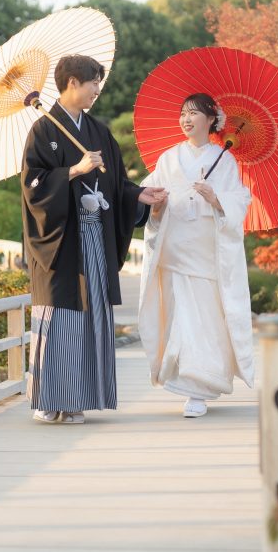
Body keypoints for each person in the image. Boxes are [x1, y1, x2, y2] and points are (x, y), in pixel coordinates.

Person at [21, 54, 167, 424]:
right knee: (59, 315)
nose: (96, 90)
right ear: (72, 83)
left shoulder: (98, 131)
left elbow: (115, 183)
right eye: (92, 83)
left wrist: (138, 196)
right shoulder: (43, 131)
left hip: (94, 237)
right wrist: (73, 170)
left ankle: (76, 400)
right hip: (60, 242)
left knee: (90, 316)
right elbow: (32, 188)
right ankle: (47, 399)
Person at [137, 93, 254, 418]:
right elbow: (149, 194)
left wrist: (216, 197)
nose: (186, 119)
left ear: (211, 120)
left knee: (204, 316)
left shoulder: (224, 159)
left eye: (194, 113)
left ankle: (200, 388)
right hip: (175, 248)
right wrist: (156, 201)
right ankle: (187, 385)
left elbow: (240, 201)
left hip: (205, 251)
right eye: (183, 114)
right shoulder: (169, 158)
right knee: (179, 315)